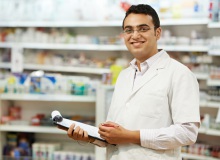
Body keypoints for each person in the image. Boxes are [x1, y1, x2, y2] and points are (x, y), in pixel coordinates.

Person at [60, 4, 200, 160]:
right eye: (129, 30)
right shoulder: (124, 76)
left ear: (157, 33)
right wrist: (90, 137)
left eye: (143, 29)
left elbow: (187, 133)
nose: (135, 35)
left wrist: (130, 136)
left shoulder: (179, 74)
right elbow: (113, 135)